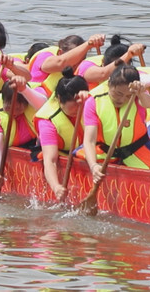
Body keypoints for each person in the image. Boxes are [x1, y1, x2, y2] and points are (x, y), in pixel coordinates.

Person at [81, 61, 150, 184]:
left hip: (137, 152)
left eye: (127, 96)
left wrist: (141, 92)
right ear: (109, 84)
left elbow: (148, 103)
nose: (122, 99)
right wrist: (93, 166)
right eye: (118, 94)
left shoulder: (137, 94)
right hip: (105, 153)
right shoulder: (93, 101)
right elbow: (89, 140)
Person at [34, 68, 90, 200]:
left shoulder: (91, 102)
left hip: (87, 152)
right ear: (59, 99)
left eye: (80, 106)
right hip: (61, 154)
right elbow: (50, 160)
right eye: (73, 107)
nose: (78, 110)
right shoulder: (47, 121)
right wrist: (56, 186)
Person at [0, 78, 47, 189]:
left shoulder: (35, 98)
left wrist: (23, 89)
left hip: (38, 146)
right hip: (13, 146)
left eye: (18, 108)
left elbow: (44, 105)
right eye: (8, 107)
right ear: (2, 102)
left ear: (26, 104)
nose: (13, 112)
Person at [28, 33, 105, 96]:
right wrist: (89, 44)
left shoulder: (82, 69)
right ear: (60, 53)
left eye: (80, 61)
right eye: (73, 60)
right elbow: (60, 63)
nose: (76, 65)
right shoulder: (44, 57)